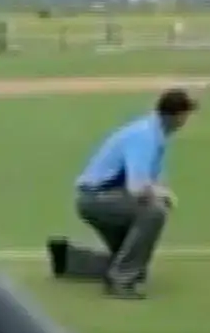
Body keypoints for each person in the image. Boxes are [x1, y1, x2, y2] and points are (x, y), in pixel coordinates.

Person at [47, 88, 197, 299]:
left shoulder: (155, 134)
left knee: (132, 262)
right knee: (154, 212)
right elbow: (137, 187)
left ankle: (69, 260)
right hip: (96, 199)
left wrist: (161, 192)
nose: (187, 119)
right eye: (186, 114)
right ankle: (120, 281)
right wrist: (163, 197)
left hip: (104, 198)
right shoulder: (146, 136)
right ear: (177, 115)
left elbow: (151, 180)